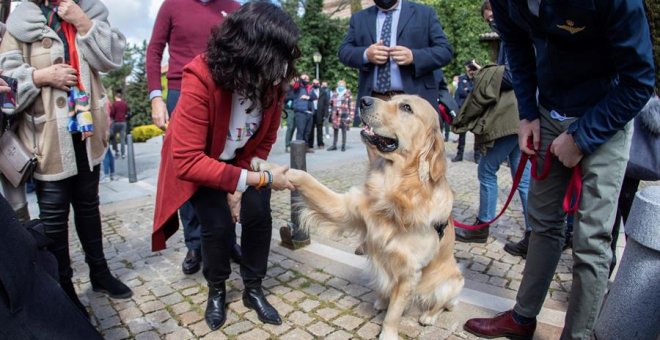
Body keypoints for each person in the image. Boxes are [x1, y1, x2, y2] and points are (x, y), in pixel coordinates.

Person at [464, 0, 655, 338]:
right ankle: (522, 319)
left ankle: (577, 335)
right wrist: (527, 115)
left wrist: (581, 138)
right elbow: (519, 53)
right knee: (543, 225)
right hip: (549, 110)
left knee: (592, 239)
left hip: (605, 113)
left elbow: (638, 82)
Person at [151, 2, 298, 331]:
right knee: (216, 226)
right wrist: (245, 180)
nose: (284, 68)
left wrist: (242, 182)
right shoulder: (200, 75)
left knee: (259, 214)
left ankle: (253, 288)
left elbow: (263, 141)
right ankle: (217, 290)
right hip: (204, 162)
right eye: (278, 55)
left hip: (240, 161)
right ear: (250, 50)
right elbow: (188, 160)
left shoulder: (272, 81)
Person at [0, 0, 133, 316]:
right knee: (54, 221)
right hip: (47, 141)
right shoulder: (20, 21)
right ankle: (63, 286)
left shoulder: (88, 9)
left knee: (89, 208)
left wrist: (84, 22)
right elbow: (5, 91)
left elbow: (113, 59)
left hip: (86, 135)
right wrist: (42, 76)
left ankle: (100, 274)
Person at [147, 0, 241, 275]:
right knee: (187, 170)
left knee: (226, 164)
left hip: (224, 91)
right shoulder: (172, 5)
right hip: (181, 91)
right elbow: (154, 50)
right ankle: (195, 244)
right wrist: (156, 97)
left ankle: (228, 239)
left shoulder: (233, 7)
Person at [451, 1, 532, 251]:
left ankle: (482, 226)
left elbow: (513, 74)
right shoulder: (516, 28)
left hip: (512, 115)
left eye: (492, 18)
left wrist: (484, 73)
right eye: (488, 20)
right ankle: (534, 233)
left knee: (487, 169)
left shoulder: (514, 30)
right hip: (522, 114)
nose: (491, 23)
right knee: (523, 177)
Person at [338, 0, 453, 163]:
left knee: (421, 160)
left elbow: (445, 51)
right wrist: (366, 54)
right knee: (378, 165)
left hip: (413, 104)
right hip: (377, 101)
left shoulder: (424, 13)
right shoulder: (359, 19)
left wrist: (415, 56)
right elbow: (343, 51)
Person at [452, 60, 481, 163]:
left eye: (473, 69)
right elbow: (460, 93)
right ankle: (459, 155)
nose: (471, 71)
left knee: (477, 135)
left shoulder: (478, 79)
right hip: (463, 110)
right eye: (470, 69)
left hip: (475, 110)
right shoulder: (461, 79)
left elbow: (477, 92)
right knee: (461, 135)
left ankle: (477, 156)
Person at [292, 74, 316, 153]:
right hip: (301, 112)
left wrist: (307, 97)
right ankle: (298, 150)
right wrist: (298, 79)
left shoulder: (310, 88)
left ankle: (305, 148)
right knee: (300, 132)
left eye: (307, 78)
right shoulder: (298, 87)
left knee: (307, 132)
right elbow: (295, 84)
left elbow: (315, 97)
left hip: (309, 113)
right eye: (304, 78)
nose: (306, 79)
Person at [328, 80, 354, 152]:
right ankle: (334, 145)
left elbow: (351, 105)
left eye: (342, 85)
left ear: (345, 86)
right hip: (335, 113)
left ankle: (343, 145)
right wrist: (331, 102)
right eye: (339, 85)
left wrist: (351, 116)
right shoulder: (334, 93)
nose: (341, 86)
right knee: (335, 129)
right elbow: (330, 103)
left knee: (344, 130)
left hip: (344, 113)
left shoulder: (348, 93)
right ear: (337, 85)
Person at [308, 80, 330, 150]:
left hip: (320, 112)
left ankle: (320, 143)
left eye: (317, 83)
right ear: (312, 84)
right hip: (311, 112)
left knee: (319, 129)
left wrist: (326, 114)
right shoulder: (309, 91)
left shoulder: (323, 92)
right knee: (310, 129)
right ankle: (310, 144)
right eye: (314, 83)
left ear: (319, 84)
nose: (315, 84)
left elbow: (326, 104)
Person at [109, 90, 128, 159]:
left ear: (115, 97)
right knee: (122, 139)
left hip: (116, 122)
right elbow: (127, 112)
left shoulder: (114, 104)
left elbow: (112, 113)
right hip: (123, 122)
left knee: (113, 137)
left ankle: (117, 151)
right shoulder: (125, 104)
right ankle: (123, 154)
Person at [101, 98, 115, 183]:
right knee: (108, 151)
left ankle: (106, 175)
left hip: (104, 127)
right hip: (109, 126)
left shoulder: (102, 100)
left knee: (105, 151)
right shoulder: (107, 100)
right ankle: (112, 173)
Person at [284, 79, 296, 153]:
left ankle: (290, 144)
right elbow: (285, 98)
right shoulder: (287, 88)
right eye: (293, 80)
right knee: (290, 127)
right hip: (289, 110)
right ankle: (287, 145)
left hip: (294, 109)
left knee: (293, 127)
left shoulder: (295, 89)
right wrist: (293, 97)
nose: (294, 82)